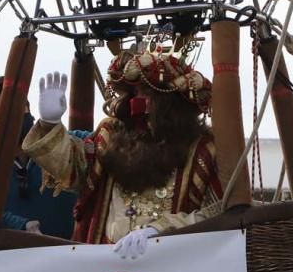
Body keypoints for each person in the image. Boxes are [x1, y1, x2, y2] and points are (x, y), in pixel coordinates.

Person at [21, 51, 222, 257]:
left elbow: (219, 214)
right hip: (107, 263)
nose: (138, 101)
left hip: (173, 265)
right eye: (134, 93)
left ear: (172, 102)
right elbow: (74, 171)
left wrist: (160, 230)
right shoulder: (111, 134)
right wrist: (50, 124)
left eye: (147, 92)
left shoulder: (203, 149)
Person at [0, 76, 77, 238]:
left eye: (24, 106)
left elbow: (102, 143)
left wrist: (52, 128)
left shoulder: (61, 144)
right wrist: (21, 226)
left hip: (66, 255)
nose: (21, 114)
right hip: (8, 257)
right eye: (9, 110)